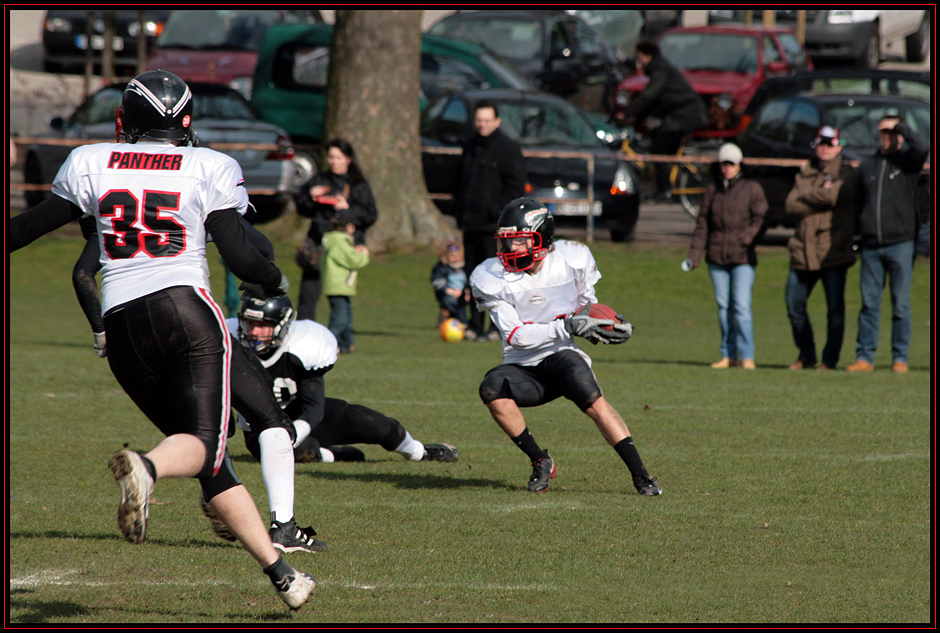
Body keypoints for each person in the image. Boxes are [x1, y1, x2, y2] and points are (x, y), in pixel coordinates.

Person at [8, 70, 315, 610]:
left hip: (122, 322)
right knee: (201, 442)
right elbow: (241, 258)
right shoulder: (210, 165)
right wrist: (272, 278)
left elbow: (23, 230)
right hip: (185, 311)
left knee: (207, 458)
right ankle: (146, 468)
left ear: (125, 119)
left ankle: (283, 575)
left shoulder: (90, 160)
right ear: (188, 121)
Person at [71, 217, 329, 555]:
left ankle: (212, 492)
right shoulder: (190, 190)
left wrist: (100, 330)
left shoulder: (114, 210)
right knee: (268, 419)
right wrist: (268, 280)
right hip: (189, 319)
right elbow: (257, 246)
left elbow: (80, 273)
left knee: (199, 432)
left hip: (130, 335)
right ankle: (283, 527)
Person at [469, 198, 661, 496]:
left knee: (593, 399)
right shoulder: (490, 276)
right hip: (522, 364)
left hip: (562, 355)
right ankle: (540, 460)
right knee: (492, 388)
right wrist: (566, 325)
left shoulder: (573, 258)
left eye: (520, 240)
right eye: (507, 241)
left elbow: (587, 304)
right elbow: (517, 336)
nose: (511, 249)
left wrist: (600, 325)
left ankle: (642, 476)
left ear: (542, 239)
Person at [229, 292, 461, 467]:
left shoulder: (303, 345)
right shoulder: (230, 343)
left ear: (282, 324)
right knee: (295, 452)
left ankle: (419, 452)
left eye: (263, 325)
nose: (255, 332)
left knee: (375, 423)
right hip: (260, 426)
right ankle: (334, 455)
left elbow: (313, 407)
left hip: (301, 414)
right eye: (251, 323)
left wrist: (294, 434)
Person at [846, 110, 929, 373]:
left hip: (901, 243)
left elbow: (923, 147)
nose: (887, 137)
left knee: (900, 305)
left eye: (892, 133)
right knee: (869, 304)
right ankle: (865, 357)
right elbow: (858, 205)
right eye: (884, 132)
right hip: (871, 246)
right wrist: (860, 234)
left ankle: (899, 358)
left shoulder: (907, 163)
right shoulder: (867, 166)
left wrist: (901, 126)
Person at [686, 143, 768, 370]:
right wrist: (694, 255)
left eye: (731, 163)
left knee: (742, 306)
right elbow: (702, 224)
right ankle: (728, 354)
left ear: (739, 164)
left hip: (743, 257)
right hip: (716, 257)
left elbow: (761, 218)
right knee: (724, 308)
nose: (727, 168)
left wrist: (747, 238)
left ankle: (747, 356)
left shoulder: (752, 188)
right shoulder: (713, 190)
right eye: (724, 163)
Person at [783, 126, 856, 371]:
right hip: (803, 250)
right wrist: (817, 195)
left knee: (835, 310)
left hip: (832, 251)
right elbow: (790, 206)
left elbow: (834, 197)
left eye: (829, 143)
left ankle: (829, 359)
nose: (824, 148)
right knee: (794, 304)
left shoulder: (846, 173)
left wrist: (806, 195)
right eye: (821, 143)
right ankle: (807, 353)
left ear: (839, 146)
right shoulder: (806, 171)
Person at [452, 100, 526, 341]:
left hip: (494, 228)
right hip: (470, 224)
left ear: (497, 121)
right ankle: (474, 325)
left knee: (495, 278)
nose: (482, 125)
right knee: (473, 277)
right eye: (478, 120)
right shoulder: (470, 146)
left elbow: (515, 186)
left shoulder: (508, 149)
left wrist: (494, 210)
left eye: (486, 120)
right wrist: (459, 210)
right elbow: (461, 182)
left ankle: (497, 327)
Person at [294, 138, 377, 321]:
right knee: (308, 294)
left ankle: (342, 339)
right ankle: (304, 334)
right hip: (317, 244)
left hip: (342, 246)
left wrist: (345, 210)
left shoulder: (358, 185)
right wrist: (310, 196)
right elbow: (302, 209)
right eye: (331, 157)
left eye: (338, 157)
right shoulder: (320, 180)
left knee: (339, 297)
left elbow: (370, 215)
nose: (333, 161)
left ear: (348, 159)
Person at [619, 39, 709, 202]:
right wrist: (637, 118)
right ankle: (669, 184)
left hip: (687, 116)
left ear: (648, 56)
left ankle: (665, 190)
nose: (638, 63)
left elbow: (648, 96)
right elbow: (654, 102)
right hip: (684, 115)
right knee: (659, 140)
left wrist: (626, 113)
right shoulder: (661, 69)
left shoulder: (660, 70)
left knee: (657, 148)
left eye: (639, 58)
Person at [322, 208, 370, 354]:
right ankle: (327, 343)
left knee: (347, 316)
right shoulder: (339, 242)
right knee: (340, 319)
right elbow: (353, 261)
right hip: (338, 286)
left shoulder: (334, 240)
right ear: (347, 226)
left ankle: (346, 344)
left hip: (339, 286)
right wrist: (363, 254)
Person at [431, 237, 470, 326]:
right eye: (452, 256)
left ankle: (465, 323)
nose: (454, 258)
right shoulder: (442, 267)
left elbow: (469, 280)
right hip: (449, 293)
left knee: (462, 305)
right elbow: (437, 280)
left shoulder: (464, 266)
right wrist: (449, 290)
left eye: (457, 256)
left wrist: (467, 291)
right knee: (450, 302)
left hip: (463, 293)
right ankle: (460, 322)